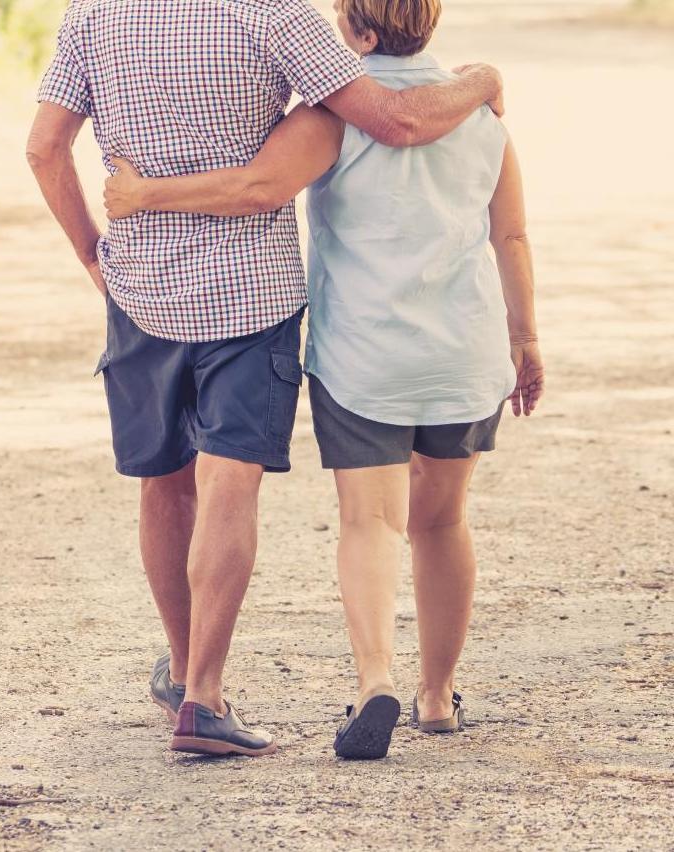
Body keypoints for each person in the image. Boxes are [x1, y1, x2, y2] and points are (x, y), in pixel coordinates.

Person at [26, 0, 504, 757]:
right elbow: (397, 120)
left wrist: (94, 255)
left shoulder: (94, 13)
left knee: (165, 482)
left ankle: (184, 673)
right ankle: (204, 698)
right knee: (229, 483)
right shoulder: (275, 15)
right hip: (250, 293)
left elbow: (44, 147)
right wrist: (480, 80)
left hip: (141, 291)